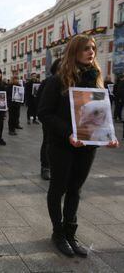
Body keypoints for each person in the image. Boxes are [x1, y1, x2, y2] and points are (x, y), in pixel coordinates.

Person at [38, 35, 119, 258]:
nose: (91, 52)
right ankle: (58, 233)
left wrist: (108, 136)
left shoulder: (97, 81)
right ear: (75, 51)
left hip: (87, 147)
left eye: (93, 48)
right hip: (62, 145)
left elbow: (101, 115)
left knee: (75, 189)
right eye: (85, 48)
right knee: (58, 188)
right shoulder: (58, 80)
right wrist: (68, 133)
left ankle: (70, 233)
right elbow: (44, 113)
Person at [36, 59, 62, 181]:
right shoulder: (48, 81)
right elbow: (39, 99)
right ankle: (45, 167)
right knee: (47, 142)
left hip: (64, 121)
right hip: (50, 120)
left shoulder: (70, 82)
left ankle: (57, 167)